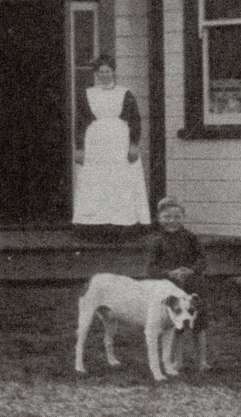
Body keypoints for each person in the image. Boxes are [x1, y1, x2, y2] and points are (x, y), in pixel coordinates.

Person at [72, 55, 151, 238]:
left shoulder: (125, 93)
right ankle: (93, 223)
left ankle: (124, 223)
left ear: (113, 72)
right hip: (96, 143)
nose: (105, 75)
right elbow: (80, 121)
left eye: (108, 71)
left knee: (120, 180)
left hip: (119, 141)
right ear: (96, 74)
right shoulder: (88, 93)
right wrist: (79, 147)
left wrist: (133, 145)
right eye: (101, 72)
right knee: (95, 180)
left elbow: (135, 120)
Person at [148, 196, 210, 371]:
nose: (172, 221)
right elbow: (151, 268)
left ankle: (202, 361)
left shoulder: (191, 238)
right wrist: (169, 273)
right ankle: (177, 360)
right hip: (172, 290)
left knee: (199, 325)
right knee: (177, 327)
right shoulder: (157, 240)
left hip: (194, 287)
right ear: (159, 218)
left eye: (177, 217)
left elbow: (202, 259)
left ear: (183, 217)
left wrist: (190, 270)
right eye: (167, 217)